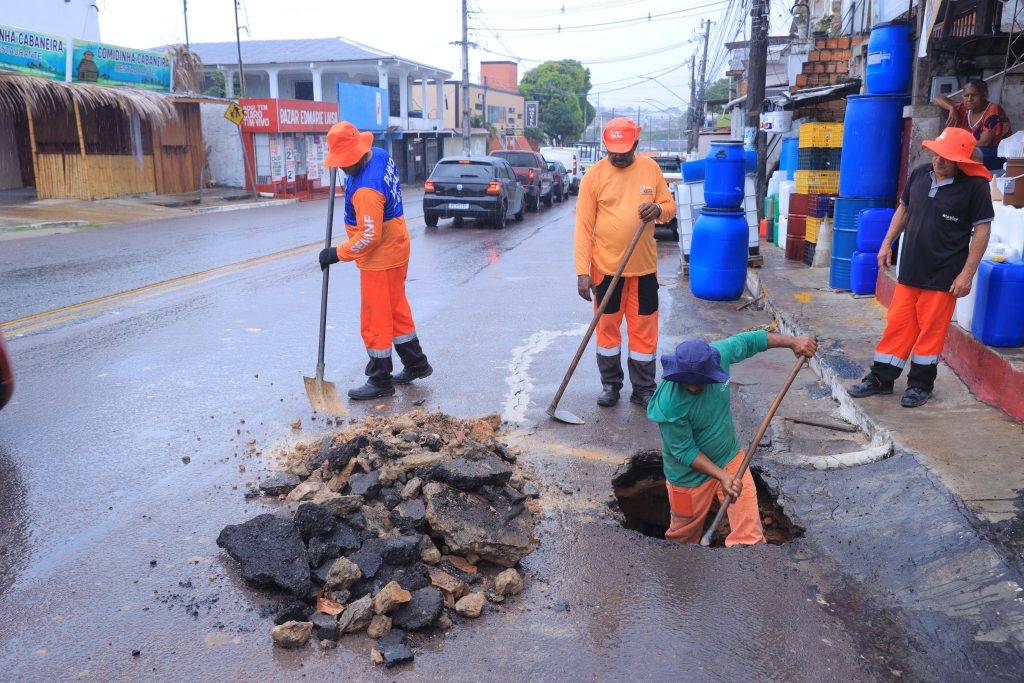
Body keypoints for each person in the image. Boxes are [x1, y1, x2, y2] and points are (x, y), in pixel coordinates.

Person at [848, 127, 993, 408]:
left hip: (944, 275)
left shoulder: (975, 186)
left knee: (931, 334)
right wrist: (886, 243)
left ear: (962, 160)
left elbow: (982, 231)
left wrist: (967, 274)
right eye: (937, 154)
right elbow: (904, 210)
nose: (939, 161)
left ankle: (920, 385)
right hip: (910, 270)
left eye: (947, 157)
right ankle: (880, 379)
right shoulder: (918, 173)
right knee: (898, 327)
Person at [647, 331, 817, 545]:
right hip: (686, 476)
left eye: (699, 382)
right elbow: (684, 451)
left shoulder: (719, 354)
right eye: (686, 382)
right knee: (683, 538)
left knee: (749, 534)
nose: (693, 387)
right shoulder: (668, 404)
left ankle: (748, 569)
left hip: (729, 458)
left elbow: (751, 341)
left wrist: (794, 342)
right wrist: (721, 476)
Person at [317, 121, 431, 400]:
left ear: (357, 156)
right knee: (396, 310)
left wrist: (337, 253)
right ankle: (416, 363)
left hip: (380, 257)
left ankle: (380, 379)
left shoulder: (367, 190)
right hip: (397, 246)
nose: (341, 168)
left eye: (344, 163)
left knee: (375, 318)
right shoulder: (379, 154)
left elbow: (369, 237)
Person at [574, 118, 676, 408]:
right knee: (607, 328)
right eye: (612, 151)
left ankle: (643, 387)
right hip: (606, 271)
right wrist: (582, 272)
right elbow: (583, 227)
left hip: (643, 269)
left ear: (636, 145)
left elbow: (670, 207)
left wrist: (658, 208)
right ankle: (610, 385)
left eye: (624, 150)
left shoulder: (650, 169)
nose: (618, 156)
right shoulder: (593, 177)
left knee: (644, 329)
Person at [933, 80, 1011, 169]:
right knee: (940, 150)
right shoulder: (964, 108)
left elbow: (984, 143)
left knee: (968, 154)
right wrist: (951, 108)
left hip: (997, 153)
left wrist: (955, 149)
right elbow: (936, 99)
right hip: (970, 150)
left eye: (974, 95)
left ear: (984, 95)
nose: (969, 99)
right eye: (966, 96)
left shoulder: (993, 110)